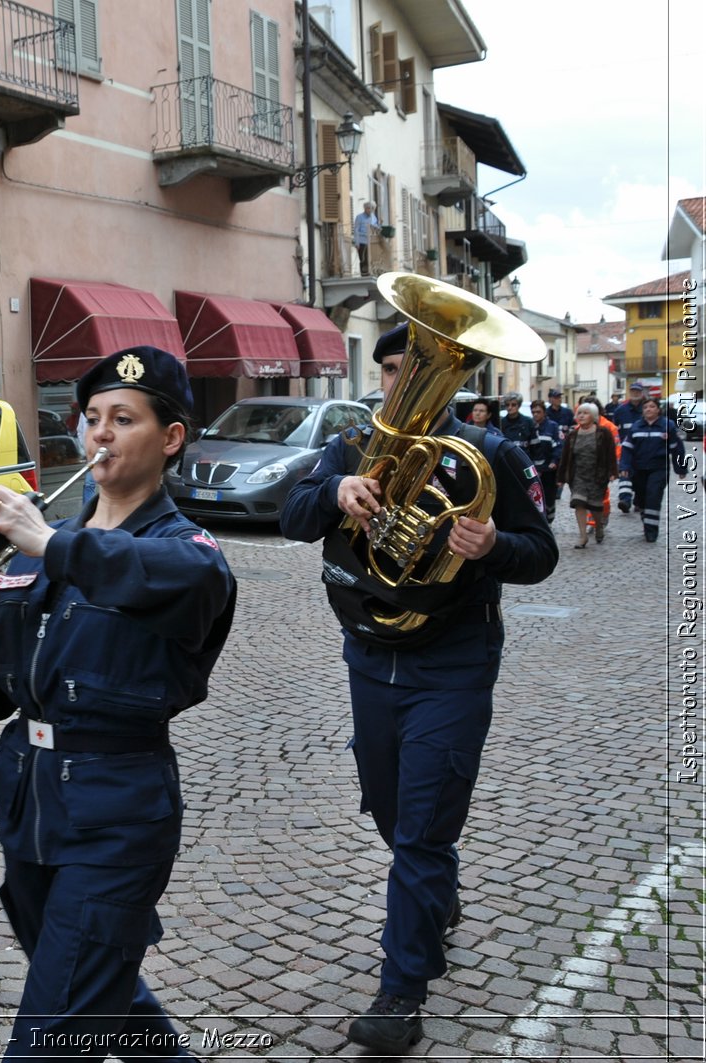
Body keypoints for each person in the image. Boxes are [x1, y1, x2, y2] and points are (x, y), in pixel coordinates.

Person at [0, 345, 235, 1060]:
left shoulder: (183, 551)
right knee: (99, 990)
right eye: (92, 416)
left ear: (170, 439)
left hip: (116, 816)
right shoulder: (43, 546)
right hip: (29, 804)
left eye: (124, 418)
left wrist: (48, 541)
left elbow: (171, 575)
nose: (99, 432)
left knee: (52, 1035)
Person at [280, 322, 557, 1055]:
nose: (406, 381)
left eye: (421, 369)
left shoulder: (490, 454)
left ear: (455, 380)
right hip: (369, 656)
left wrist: (494, 544)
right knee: (391, 805)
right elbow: (291, 517)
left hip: (454, 663)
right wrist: (336, 491)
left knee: (423, 828)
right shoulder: (349, 449)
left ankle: (401, 992)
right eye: (397, 368)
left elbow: (542, 552)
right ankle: (436, 894)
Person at [620, 397, 688, 543]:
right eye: (645, 407)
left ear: (658, 409)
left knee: (653, 497)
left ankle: (651, 532)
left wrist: (680, 468)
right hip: (639, 470)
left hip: (659, 468)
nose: (648, 409)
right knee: (641, 499)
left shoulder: (667, 426)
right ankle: (647, 519)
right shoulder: (636, 427)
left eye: (651, 407)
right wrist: (624, 467)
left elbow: (677, 448)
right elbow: (627, 449)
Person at [558, 403, 618, 548]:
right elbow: (565, 457)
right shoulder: (572, 435)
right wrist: (561, 478)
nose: (582, 416)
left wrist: (612, 472)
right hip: (577, 475)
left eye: (585, 413)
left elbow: (610, 454)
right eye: (579, 413)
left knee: (595, 507)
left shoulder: (603, 433)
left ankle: (599, 526)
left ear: (594, 416)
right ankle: (583, 536)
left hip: (597, 475)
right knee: (578, 502)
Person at [609, 383, 648, 511]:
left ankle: (638, 501)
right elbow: (615, 430)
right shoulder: (621, 410)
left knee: (640, 478)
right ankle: (625, 500)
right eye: (633, 391)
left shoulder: (647, 408)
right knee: (624, 474)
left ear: (641, 393)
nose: (635, 393)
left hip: (644, 450)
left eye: (637, 391)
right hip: (625, 450)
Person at [527, 399, 562, 522]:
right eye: (533, 412)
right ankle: (540, 521)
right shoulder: (529, 426)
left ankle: (549, 518)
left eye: (538, 412)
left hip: (548, 469)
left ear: (544, 412)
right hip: (533, 469)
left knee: (549, 497)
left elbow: (558, 446)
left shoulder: (552, 426)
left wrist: (554, 461)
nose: (536, 414)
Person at [353, 201, 379, 276]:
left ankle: (370, 272)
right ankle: (364, 274)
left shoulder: (373, 217)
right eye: (369, 208)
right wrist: (357, 242)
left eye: (372, 209)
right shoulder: (359, 217)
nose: (370, 210)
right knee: (363, 258)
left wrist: (379, 226)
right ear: (365, 208)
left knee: (370, 258)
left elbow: (375, 227)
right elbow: (356, 230)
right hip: (361, 241)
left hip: (370, 241)